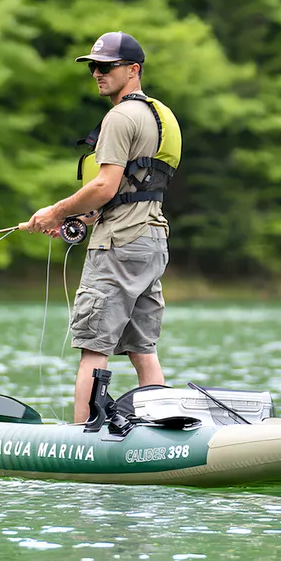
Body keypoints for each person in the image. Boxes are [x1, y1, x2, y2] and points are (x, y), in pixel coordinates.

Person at [21, 32, 181, 423]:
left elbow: (103, 185)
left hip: (118, 245)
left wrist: (56, 212)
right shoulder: (160, 115)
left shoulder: (120, 116)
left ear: (133, 69)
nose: (97, 72)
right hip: (152, 241)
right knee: (143, 349)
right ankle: (161, 429)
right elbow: (133, 189)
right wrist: (83, 218)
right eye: (94, 66)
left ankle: (82, 438)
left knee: (93, 347)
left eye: (107, 66)